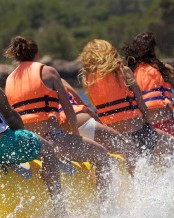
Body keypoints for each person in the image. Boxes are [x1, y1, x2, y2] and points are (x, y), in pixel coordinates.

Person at [4, 36, 113, 203]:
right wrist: (75, 135)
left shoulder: (10, 79)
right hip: (51, 140)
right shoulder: (47, 72)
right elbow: (68, 109)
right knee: (102, 155)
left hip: (27, 142)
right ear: (37, 54)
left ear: (17, 56)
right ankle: (104, 207)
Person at [78, 39, 174, 160]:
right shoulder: (124, 71)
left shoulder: (88, 79)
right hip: (137, 133)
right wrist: (149, 125)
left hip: (113, 137)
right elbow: (142, 105)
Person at [0, 87, 67, 218]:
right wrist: (22, 133)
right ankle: (60, 211)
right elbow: (10, 115)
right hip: (5, 144)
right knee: (48, 150)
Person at [122, 32, 174, 143]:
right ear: (152, 50)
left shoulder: (128, 74)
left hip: (146, 131)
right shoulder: (165, 69)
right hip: (168, 126)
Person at [60, 79, 138, 174]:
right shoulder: (57, 79)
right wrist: (99, 123)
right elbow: (82, 105)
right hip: (83, 124)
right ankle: (135, 185)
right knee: (128, 147)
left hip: (61, 135)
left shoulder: (39, 87)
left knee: (101, 155)